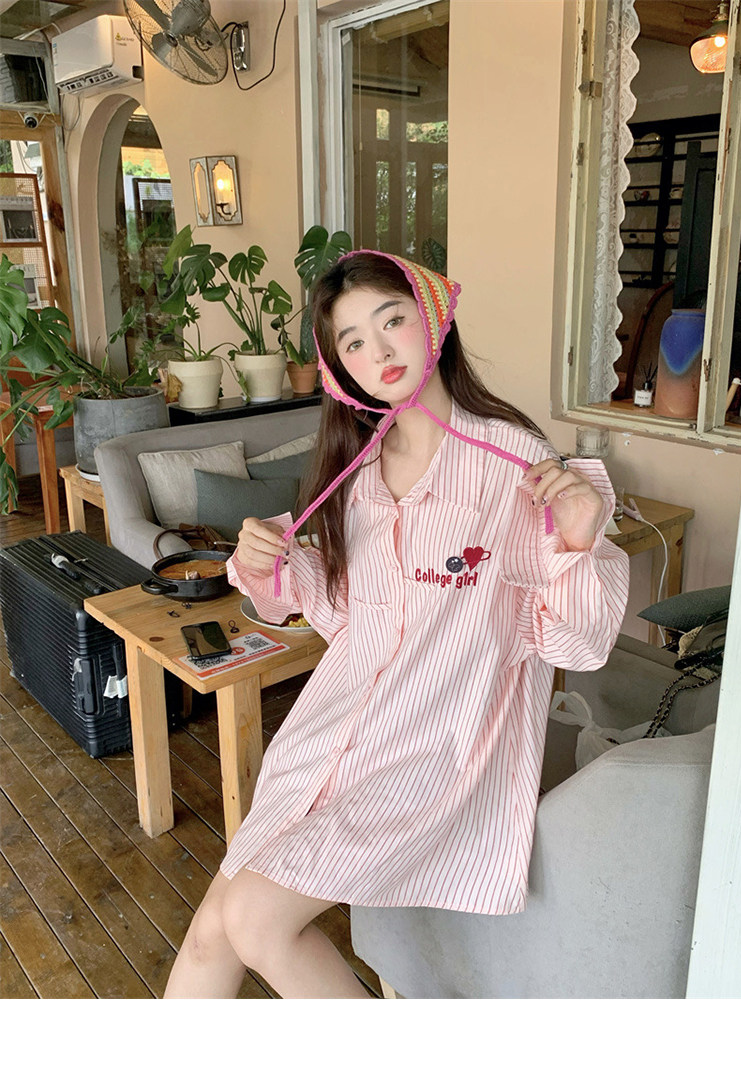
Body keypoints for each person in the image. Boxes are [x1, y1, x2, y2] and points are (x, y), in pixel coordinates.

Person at [164, 251, 629, 999]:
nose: (377, 350)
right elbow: (350, 617)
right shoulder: (355, 473)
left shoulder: (516, 464)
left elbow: (579, 640)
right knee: (211, 930)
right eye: (352, 341)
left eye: (392, 320)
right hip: (331, 731)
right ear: (337, 368)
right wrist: (272, 562)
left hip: (433, 752)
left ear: (433, 318)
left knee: (252, 918)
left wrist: (577, 541)